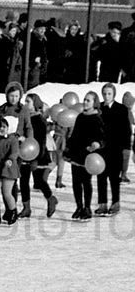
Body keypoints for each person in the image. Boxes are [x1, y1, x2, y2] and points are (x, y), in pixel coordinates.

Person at [64, 92, 104, 220]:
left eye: (88, 100)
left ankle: (87, 207)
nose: (85, 102)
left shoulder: (97, 118)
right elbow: (75, 134)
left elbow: (102, 136)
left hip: (88, 154)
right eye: (85, 100)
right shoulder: (80, 116)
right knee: (76, 181)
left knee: (86, 181)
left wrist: (97, 144)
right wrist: (68, 148)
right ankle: (79, 207)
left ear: (94, 103)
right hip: (77, 152)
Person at [19, 94, 57, 219]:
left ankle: (50, 198)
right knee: (23, 181)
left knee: (39, 181)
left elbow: (41, 140)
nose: (25, 103)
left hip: (37, 154)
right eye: (25, 101)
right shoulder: (25, 116)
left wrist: (36, 158)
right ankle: (26, 207)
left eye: (28, 101)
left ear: (35, 103)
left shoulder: (39, 119)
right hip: (25, 152)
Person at [95, 83, 130, 216]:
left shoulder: (121, 109)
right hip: (101, 149)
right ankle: (102, 204)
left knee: (114, 178)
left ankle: (115, 203)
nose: (106, 96)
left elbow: (126, 130)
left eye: (109, 93)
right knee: (101, 177)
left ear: (114, 94)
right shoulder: (99, 109)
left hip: (116, 149)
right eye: (104, 93)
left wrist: (126, 148)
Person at [0, 117, 21, 226]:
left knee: (7, 193)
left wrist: (10, 159)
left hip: (8, 168)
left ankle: (13, 211)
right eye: (1, 126)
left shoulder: (13, 140)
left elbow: (15, 152)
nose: (2, 128)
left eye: (5, 127)